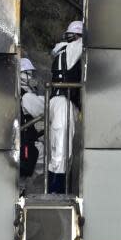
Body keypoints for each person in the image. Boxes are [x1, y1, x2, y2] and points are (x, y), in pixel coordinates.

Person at [48, 20, 84, 194]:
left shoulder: (60, 51)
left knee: (57, 148)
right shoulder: (71, 50)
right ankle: (57, 190)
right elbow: (89, 42)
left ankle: (54, 188)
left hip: (57, 101)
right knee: (62, 149)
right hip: (63, 101)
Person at [19, 58, 44, 179]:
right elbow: (43, 108)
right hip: (26, 144)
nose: (31, 78)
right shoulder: (26, 97)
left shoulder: (20, 94)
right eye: (29, 74)